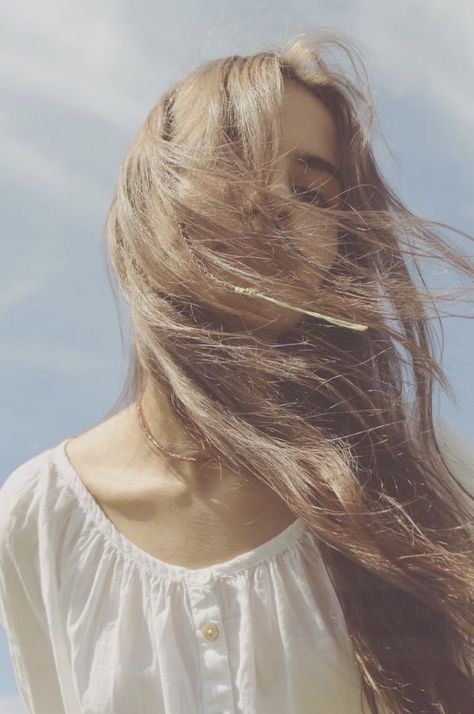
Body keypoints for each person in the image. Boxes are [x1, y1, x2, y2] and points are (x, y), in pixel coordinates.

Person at [1, 28, 473, 714]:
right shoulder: (40, 517)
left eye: (313, 192)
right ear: (148, 199)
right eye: (231, 162)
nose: (274, 203)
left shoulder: (423, 478)